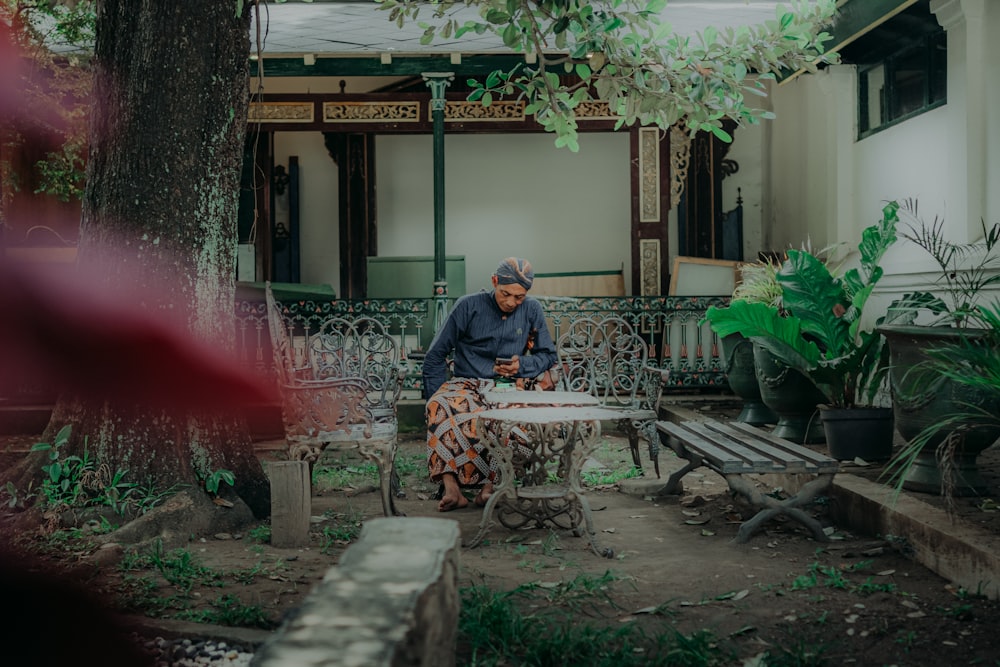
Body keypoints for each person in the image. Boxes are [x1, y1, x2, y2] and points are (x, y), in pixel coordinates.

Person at [422, 257, 558, 511]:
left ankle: (491, 488)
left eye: (519, 297)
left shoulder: (531, 309)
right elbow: (435, 355)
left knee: (517, 419)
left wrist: (522, 367)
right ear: (494, 282)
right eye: (505, 293)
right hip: (466, 383)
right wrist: (435, 394)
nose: (511, 302)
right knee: (440, 406)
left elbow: (548, 356)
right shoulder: (467, 306)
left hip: (508, 386)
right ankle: (452, 489)